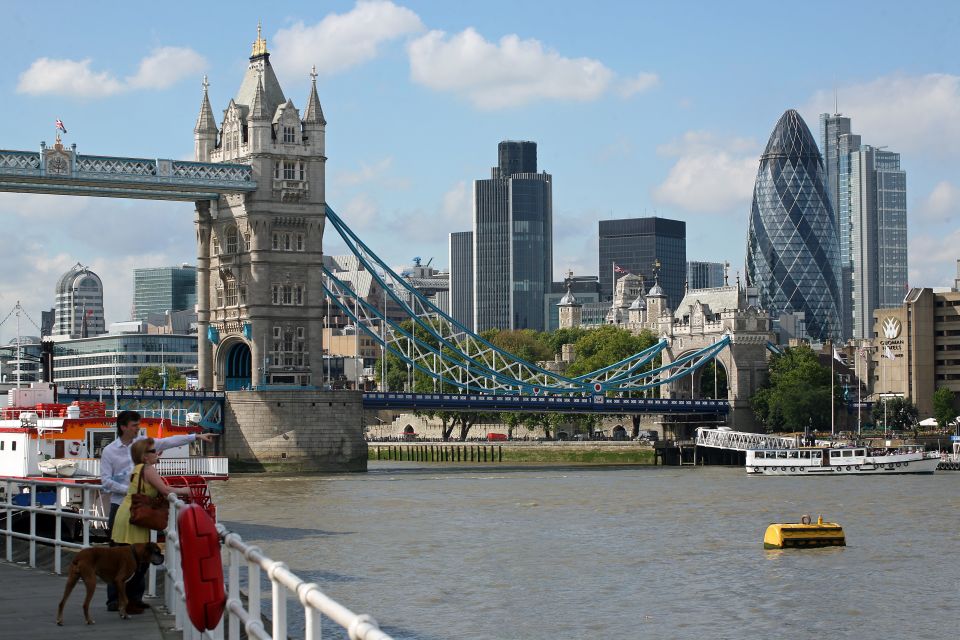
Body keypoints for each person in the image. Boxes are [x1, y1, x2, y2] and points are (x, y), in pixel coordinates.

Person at [100, 410, 217, 611]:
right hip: (121, 506)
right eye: (135, 425)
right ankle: (115, 600)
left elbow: (169, 441)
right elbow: (105, 481)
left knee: (139, 556)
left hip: (138, 509)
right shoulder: (110, 451)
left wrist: (195, 436)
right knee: (118, 556)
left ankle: (132, 599)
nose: (138, 428)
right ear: (123, 427)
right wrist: (130, 490)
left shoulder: (144, 445)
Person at [110, 438, 191, 613]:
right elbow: (165, 491)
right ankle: (130, 601)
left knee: (123, 561)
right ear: (144, 456)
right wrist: (187, 490)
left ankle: (117, 601)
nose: (157, 453)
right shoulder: (148, 469)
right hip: (134, 519)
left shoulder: (138, 468)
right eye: (153, 451)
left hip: (125, 514)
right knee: (138, 563)